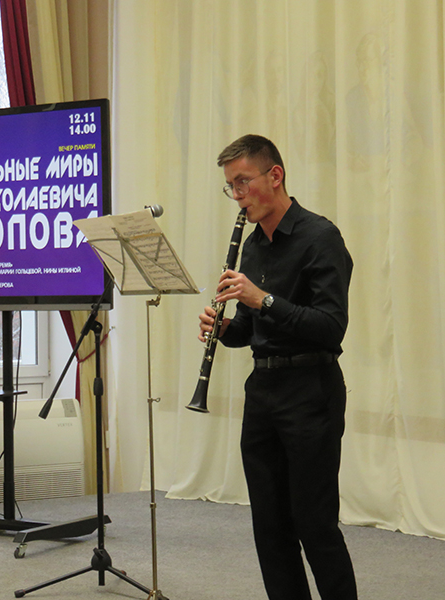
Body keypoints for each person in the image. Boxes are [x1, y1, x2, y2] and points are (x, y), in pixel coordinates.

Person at [198, 134, 357, 600]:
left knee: (315, 523)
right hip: (263, 391)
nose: (237, 195)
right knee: (269, 527)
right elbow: (249, 329)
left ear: (275, 175)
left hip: (311, 390)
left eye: (243, 182)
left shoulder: (320, 237)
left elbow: (331, 326)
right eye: (230, 186)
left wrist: (262, 299)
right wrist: (224, 328)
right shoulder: (252, 247)